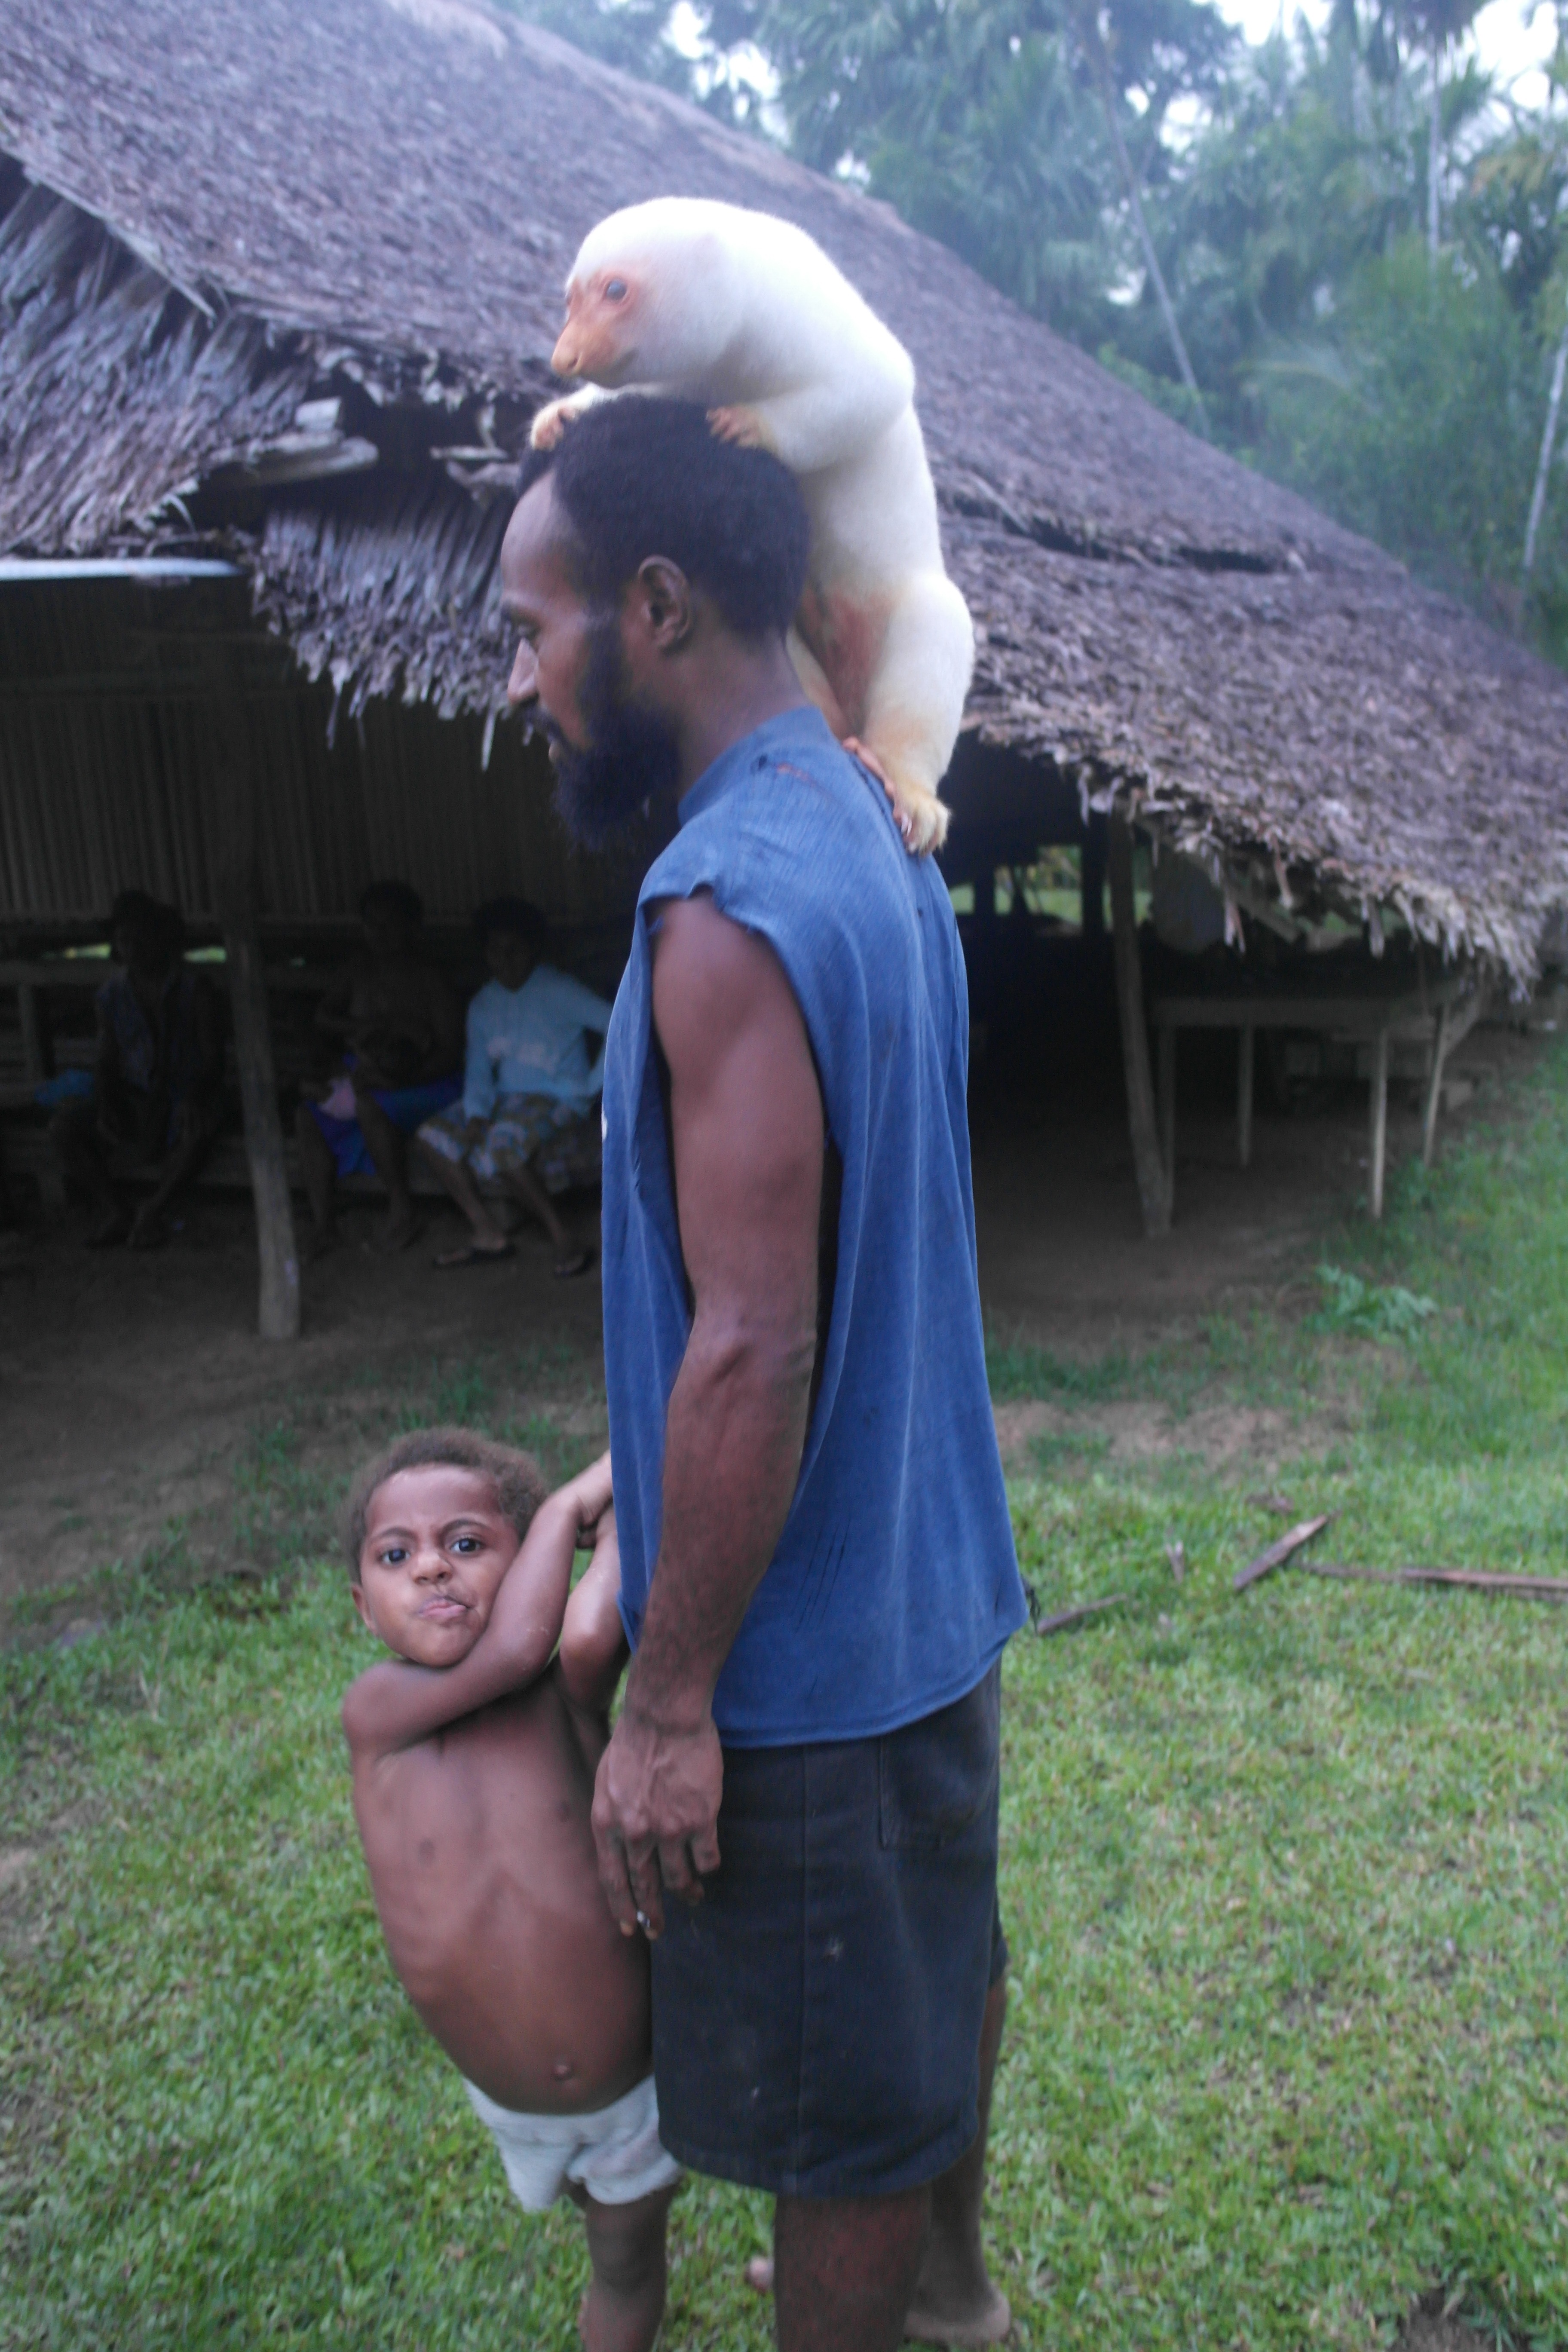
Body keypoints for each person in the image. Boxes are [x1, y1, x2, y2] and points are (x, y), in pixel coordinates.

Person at [500, 393, 1029, 2352]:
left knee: (839, 2121)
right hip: (928, 1581)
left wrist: (668, 1699)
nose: (518, 676)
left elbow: (754, 1332)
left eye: (529, 624)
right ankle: (960, 2305)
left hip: (804, 1667)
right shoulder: (884, 833)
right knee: (924, 1983)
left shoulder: (722, 904)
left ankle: (917, 2300)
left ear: (650, 607)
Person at [342, 1430, 680, 2352]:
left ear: (526, 1561)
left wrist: (603, 1529)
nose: (432, 1573)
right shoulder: (378, 1714)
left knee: (624, 2266)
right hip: (511, 2101)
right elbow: (518, 1643)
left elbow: (582, 1625)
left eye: (467, 1544)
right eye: (396, 1555)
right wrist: (570, 1503)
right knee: (593, 2224)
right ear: (362, 1606)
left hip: (633, 2092)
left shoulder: (568, 1694)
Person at [416, 897, 610, 1278]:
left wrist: (590, 1086)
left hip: (558, 1097)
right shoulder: (483, 1005)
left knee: (502, 1144)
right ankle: (487, 1232)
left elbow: (618, 1020)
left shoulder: (559, 989)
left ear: (534, 949)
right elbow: (478, 1069)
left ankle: (563, 1237)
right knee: (431, 1136)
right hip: (505, 1099)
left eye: (514, 951)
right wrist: (475, 1114)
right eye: (494, 951)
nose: (504, 961)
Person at [294, 881, 462, 1257]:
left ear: (412, 928)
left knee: (371, 1103)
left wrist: (393, 1079)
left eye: (389, 924)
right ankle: (324, 1225)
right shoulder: (359, 969)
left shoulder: (430, 977)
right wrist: (364, 1029)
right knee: (308, 1117)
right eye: (371, 924)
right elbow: (324, 1017)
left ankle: (401, 1208)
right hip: (366, 1077)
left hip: (425, 1080)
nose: (379, 934)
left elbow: (450, 1054)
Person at [48, 890, 224, 1249]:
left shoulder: (196, 989)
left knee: (199, 1130)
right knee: (62, 1128)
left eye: (141, 937)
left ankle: (152, 1212)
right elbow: (107, 1060)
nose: (133, 948)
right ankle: (117, 1211)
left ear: (161, 938)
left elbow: (214, 1061)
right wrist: (106, 1101)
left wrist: (194, 1095)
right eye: (124, 940)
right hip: (135, 1098)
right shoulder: (111, 996)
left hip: (182, 1097)